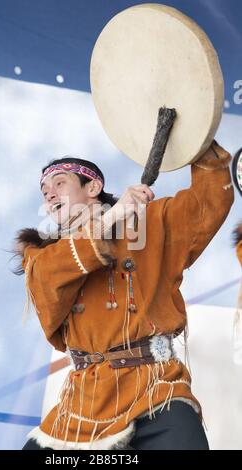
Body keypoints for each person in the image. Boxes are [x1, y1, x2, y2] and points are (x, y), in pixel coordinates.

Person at [15, 141, 234, 450]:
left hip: (157, 389)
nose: (49, 194)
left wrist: (197, 132)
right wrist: (111, 218)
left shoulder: (151, 223)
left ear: (93, 187)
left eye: (59, 183)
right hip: (84, 402)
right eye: (44, 190)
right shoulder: (42, 255)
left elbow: (209, 201)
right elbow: (47, 280)